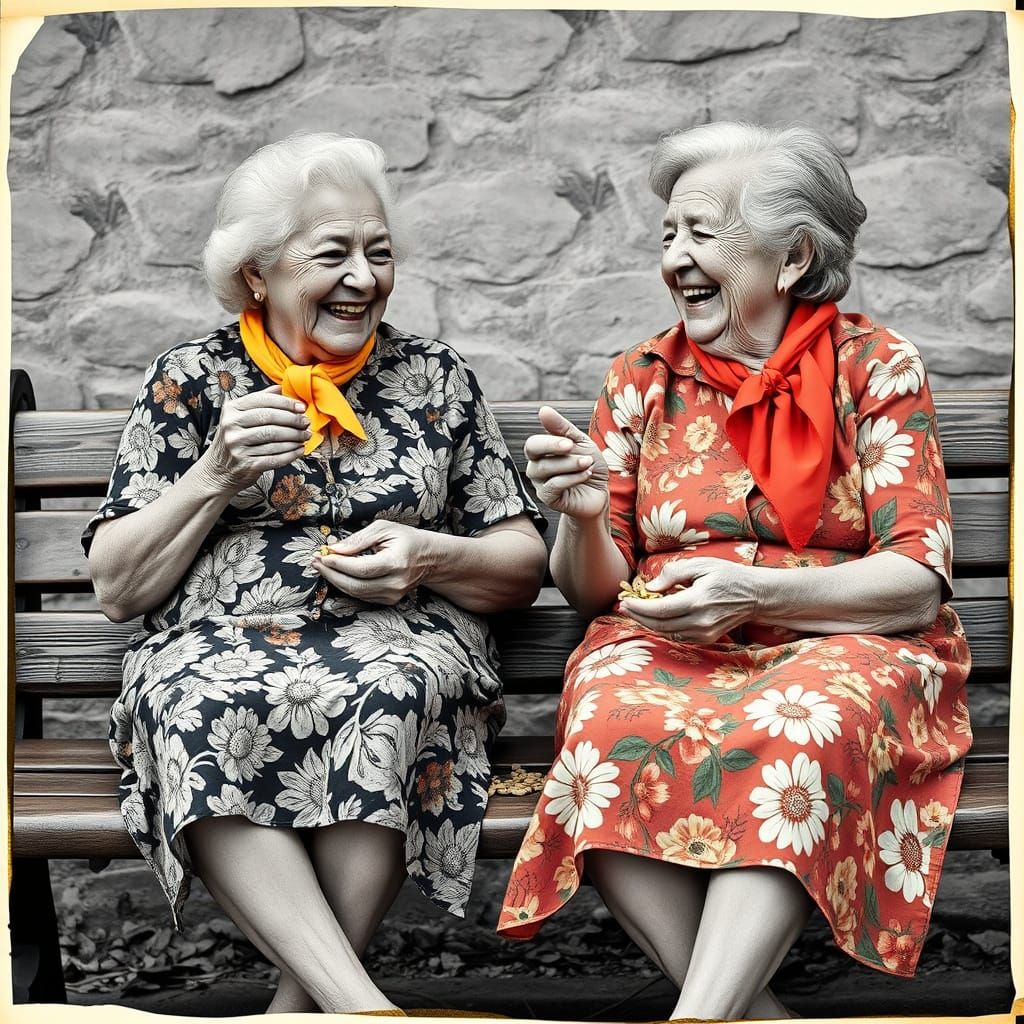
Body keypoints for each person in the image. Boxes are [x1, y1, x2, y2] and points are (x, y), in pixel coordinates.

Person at [497, 121, 971, 1020]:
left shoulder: (876, 367)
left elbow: (914, 581)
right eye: (668, 235)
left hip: (846, 641)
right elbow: (597, 593)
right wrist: (583, 516)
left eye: (702, 233)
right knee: (605, 728)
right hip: (672, 645)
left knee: (803, 726)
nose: (675, 258)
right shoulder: (639, 378)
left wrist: (757, 591)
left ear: (792, 257)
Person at [84, 132, 548, 1015]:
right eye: (332, 254)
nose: (364, 278)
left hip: (399, 641)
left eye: (379, 253)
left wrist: (431, 555)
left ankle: (307, 1010)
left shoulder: (435, 378)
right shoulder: (190, 381)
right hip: (213, 646)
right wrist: (214, 476)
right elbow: (118, 589)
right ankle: (358, 1009)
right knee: (196, 703)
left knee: (390, 692)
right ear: (257, 273)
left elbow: (521, 565)